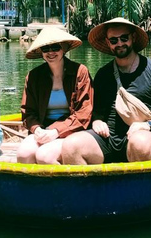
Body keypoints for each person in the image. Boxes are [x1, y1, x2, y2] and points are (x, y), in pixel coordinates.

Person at [62, 17, 151, 165]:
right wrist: (97, 121)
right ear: (107, 42)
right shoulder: (103, 74)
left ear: (133, 37)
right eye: (113, 40)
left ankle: (143, 187)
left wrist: (146, 125)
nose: (119, 43)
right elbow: (97, 112)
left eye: (124, 38)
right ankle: (90, 188)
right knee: (70, 146)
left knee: (140, 143)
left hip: (140, 136)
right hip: (107, 139)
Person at [16, 26, 93, 164]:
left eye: (55, 47)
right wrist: (37, 129)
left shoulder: (80, 72)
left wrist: (56, 131)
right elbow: (28, 112)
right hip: (43, 129)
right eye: (46, 49)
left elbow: (84, 113)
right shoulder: (34, 76)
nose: (50, 52)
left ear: (63, 48)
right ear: (41, 52)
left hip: (72, 130)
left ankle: (63, 185)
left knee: (45, 156)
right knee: (23, 154)